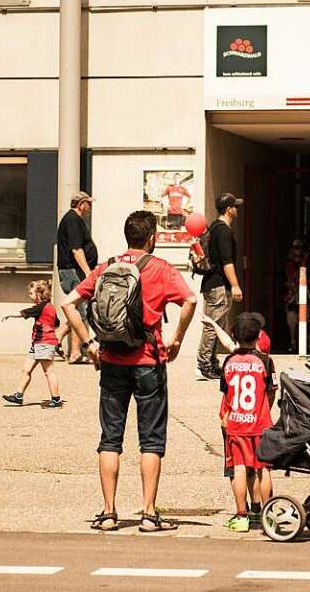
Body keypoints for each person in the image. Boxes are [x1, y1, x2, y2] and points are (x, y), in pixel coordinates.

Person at [62, 210, 197, 533]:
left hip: (111, 361)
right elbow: (190, 300)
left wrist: (89, 343)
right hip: (149, 361)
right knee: (150, 441)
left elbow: (69, 303)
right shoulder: (161, 269)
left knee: (110, 438)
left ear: (127, 235)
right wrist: (176, 340)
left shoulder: (107, 266)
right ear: (152, 237)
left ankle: (109, 513)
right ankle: (149, 515)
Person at [202, 312, 275, 532]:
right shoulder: (265, 362)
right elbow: (271, 391)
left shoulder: (229, 361)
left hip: (236, 424)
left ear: (235, 336)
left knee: (240, 468)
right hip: (259, 423)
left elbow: (227, 393)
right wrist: (264, 410)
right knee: (263, 469)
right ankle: (268, 515)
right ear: (257, 337)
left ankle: (241, 515)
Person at [196, 192, 243, 381]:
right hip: (218, 285)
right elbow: (227, 261)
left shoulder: (214, 228)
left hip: (210, 284)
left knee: (217, 325)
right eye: (235, 206)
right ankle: (204, 364)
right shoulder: (223, 231)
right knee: (212, 325)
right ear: (229, 209)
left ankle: (212, 364)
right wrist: (235, 285)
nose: (237, 209)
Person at [1, 279, 66, 408]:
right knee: (26, 370)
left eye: (31, 294)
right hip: (37, 343)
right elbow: (56, 323)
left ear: (39, 294)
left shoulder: (41, 306)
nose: (30, 296)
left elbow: (25, 313)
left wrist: (9, 315)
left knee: (49, 371)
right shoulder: (50, 307)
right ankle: (18, 396)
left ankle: (56, 399)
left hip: (44, 343)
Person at [56, 191, 98, 364]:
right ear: (81, 204)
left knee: (78, 309)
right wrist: (88, 273)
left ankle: (56, 337)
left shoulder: (74, 219)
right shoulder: (72, 220)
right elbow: (76, 249)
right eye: (88, 203)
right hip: (72, 271)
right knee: (79, 310)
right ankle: (75, 353)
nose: (90, 207)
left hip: (73, 271)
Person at [283, 239, 308, 352]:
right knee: (291, 321)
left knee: (306, 319)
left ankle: (307, 342)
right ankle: (293, 342)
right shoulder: (288, 264)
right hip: (291, 296)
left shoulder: (307, 262)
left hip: (304, 295)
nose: (298, 250)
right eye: (295, 248)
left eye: (300, 248)